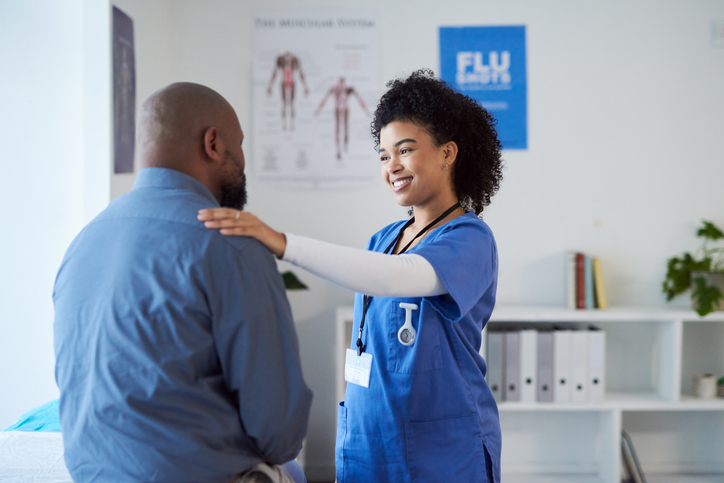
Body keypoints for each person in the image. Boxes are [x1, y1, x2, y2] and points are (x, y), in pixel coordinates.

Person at [199, 69, 504, 482]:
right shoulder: (382, 239)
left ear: (448, 153)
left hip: (439, 450)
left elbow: (398, 277)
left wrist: (284, 242)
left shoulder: (469, 238)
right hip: (368, 440)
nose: (392, 165)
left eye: (405, 150)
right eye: (383, 155)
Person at [53, 82, 313, 483]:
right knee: (292, 468)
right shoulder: (231, 243)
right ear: (213, 143)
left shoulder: (84, 240)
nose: (243, 160)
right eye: (239, 144)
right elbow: (279, 431)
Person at [314, 77, 369, 160]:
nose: (342, 83)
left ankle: (345, 145)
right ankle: (339, 148)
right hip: (338, 108)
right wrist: (318, 110)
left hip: (344, 108)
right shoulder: (335, 89)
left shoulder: (347, 89)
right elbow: (325, 99)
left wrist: (366, 111)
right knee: (338, 128)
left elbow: (359, 99)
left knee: (345, 127)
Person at [267, 51, 309, 131]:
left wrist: (305, 86)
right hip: (284, 81)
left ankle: (292, 124)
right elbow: (275, 73)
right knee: (284, 104)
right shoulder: (281, 61)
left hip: (291, 82)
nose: (288, 60)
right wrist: (270, 85)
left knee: (292, 104)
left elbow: (301, 73)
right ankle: (284, 124)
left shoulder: (295, 61)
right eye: (286, 58)